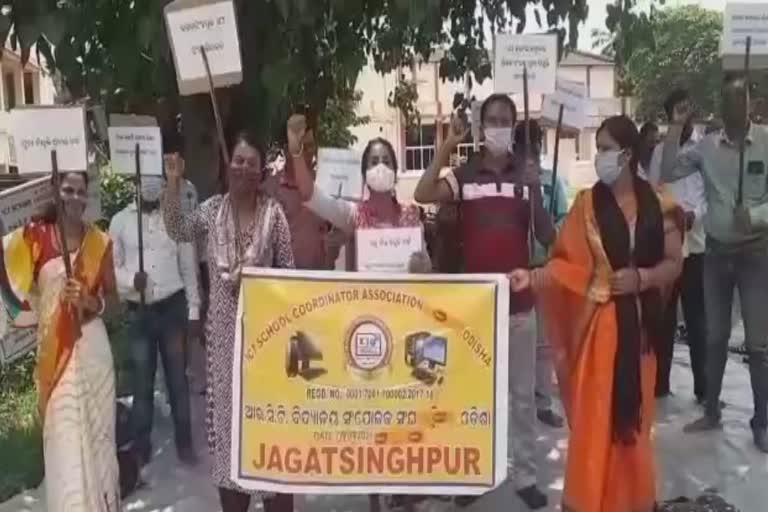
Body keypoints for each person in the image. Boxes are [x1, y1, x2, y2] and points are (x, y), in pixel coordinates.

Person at [508, 115, 683, 512]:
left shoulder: (659, 204)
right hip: (598, 333)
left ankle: (630, 501)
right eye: (599, 147)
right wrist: (531, 278)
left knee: (633, 425)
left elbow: (674, 264)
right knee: (593, 423)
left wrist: (641, 278)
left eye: (605, 148)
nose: (600, 155)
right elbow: (567, 265)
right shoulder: (588, 205)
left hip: (639, 333)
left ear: (626, 154)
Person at [413, 94, 555, 510]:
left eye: (504, 120)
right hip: (473, 308)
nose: (497, 126)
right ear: (479, 124)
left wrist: (534, 190)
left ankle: (526, 475)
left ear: (513, 126)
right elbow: (423, 193)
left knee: (522, 397)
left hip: (519, 303)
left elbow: (546, 236)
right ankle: (472, 473)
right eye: (490, 119)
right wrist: (446, 145)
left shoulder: (525, 175)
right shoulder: (464, 173)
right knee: (472, 395)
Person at [288, 116, 429, 512]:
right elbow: (309, 194)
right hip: (365, 329)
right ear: (365, 173)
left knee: (404, 412)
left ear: (395, 171)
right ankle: (374, 497)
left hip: (405, 328)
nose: (380, 166)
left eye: (386, 159)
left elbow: (427, 271)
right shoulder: (353, 216)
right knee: (371, 416)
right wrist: (297, 151)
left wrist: (423, 267)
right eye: (373, 160)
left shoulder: (412, 218)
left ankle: (404, 490)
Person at [163, 130, 295, 512]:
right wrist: (173, 182)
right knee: (230, 436)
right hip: (223, 347)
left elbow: (290, 273)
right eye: (237, 161)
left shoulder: (274, 214)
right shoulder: (210, 210)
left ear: (261, 171)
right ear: (228, 166)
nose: (243, 169)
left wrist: (261, 285)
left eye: (251, 163)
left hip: (266, 347)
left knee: (269, 435)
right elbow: (177, 228)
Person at [0, 172, 121, 510]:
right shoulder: (35, 237)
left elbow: (113, 304)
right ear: (55, 191)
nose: (75, 197)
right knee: (65, 445)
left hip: (94, 354)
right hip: (57, 359)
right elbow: (6, 272)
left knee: (98, 443)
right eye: (67, 189)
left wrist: (89, 302)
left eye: (81, 191)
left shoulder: (99, 242)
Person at [662, 74, 768, 452]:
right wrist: (675, 125)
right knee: (714, 337)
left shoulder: (767, 142)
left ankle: (762, 421)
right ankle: (711, 411)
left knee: (758, 344)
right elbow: (667, 171)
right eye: (726, 98)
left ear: (750, 102)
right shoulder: (706, 148)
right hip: (716, 254)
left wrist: (755, 216)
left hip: (756, 255)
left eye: (739, 96)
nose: (733, 104)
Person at [110, 143, 201, 466]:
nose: (149, 183)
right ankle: (142, 447)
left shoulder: (176, 219)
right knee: (142, 381)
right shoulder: (120, 222)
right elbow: (113, 268)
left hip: (173, 310)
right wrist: (128, 282)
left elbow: (189, 265)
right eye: (143, 177)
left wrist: (194, 310)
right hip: (140, 312)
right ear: (134, 182)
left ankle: (185, 442)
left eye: (155, 177)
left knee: (177, 379)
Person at [650, 88, 708, 402]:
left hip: (697, 245)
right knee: (664, 318)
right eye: (676, 110)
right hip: (668, 245)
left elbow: (714, 195)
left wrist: (695, 214)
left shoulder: (707, 149)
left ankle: (704, 389)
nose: (683, 116)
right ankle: (659, 384)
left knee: (699, 319)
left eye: (686, 110)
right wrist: (671, 214)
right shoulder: (661, 153)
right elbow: (653, 190)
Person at [513, 119, 567, 429]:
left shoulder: (552, 180)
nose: (531, 154)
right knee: (517, 339)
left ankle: (543, 402)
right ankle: (515, 403)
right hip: (514, 269)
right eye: (525, 148)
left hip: (543, 268)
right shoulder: (509, 181)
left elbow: (561, 221)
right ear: (516, 149)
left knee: (544, 343)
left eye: (536, 147)